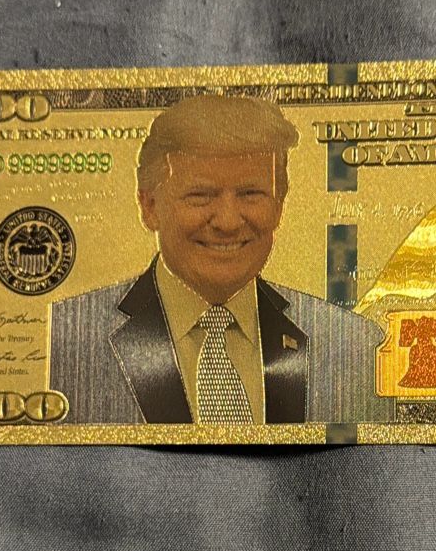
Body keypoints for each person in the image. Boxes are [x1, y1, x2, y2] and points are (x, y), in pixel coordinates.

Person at [48, 95, 391, 426]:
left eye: (251, 194)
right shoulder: (61, 340)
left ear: (279, 205)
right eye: (201, 196)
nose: (227, 222)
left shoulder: (356, 346)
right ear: (149, 207)